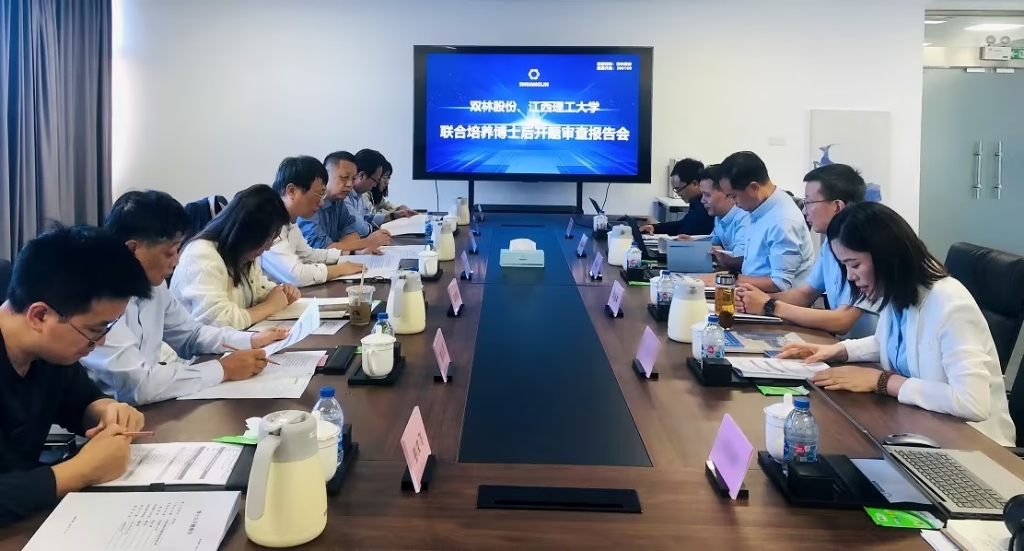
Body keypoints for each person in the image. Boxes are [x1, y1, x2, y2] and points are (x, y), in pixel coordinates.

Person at [778, 202, 1015, 446]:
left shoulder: (950, 304)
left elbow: (972, 402)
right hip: (922, 429)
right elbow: (889, 342)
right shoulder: (900, 292)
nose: (850, 276)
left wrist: (882, 381)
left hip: (976, 447)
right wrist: (837, 351)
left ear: (886, 257)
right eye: (845, 266)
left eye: (855, 264)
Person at [0, 226, 151, 526]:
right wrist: (80, 471)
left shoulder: (50, 354)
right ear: (40, 316)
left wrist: (108, 411)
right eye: (94, 330)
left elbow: (81, 399)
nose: (100, 342)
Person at [80, 191, 289, 406]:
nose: (176, 261)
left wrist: (250, 340)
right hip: (107, 415)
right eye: (169, 253)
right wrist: (224, 369)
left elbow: (191, 334)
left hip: (147, 404)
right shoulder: (97, 299)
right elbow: (138, 385)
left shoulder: (155, 286)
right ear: (133, 248)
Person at [735, 164, 878, 339]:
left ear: (837, 206)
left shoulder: (865, 247)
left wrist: (769, 305)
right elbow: (806, 294)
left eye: (809, 203)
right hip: (842, 345)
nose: (804, 210)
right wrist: (752, 299)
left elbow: (842, 321)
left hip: (868, 350)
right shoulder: (830, 244)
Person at [171, 184, 301, 329]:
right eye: (265, 239)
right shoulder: (202, 255)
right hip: (204, 343)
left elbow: (258, 288)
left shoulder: (241, 254)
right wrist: (270, 306)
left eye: (273, 238)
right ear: (244, 232)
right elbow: (217, 321)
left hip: (237, 339)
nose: (268, 247)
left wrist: (281, 292)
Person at [261, 156, 366, 286]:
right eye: (319, 194)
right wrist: (340, 269)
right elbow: (296, 276)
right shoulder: (268, 224)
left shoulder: (290, 222)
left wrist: (346, 255)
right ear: (292, 191)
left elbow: (309, 255)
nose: (321, 202)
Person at [717, 151, 814, 291]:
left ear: (754, 188)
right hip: (751, 293)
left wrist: (729, 279)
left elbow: (780, 284)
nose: (733, 202)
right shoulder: (761, 208)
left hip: (775, 301)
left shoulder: (783, 220)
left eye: (733, 196)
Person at [298, 151, 392, 251]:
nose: (349, 184)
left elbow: (353, 233)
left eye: (353, 179)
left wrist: (340, 248)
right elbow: (322, 249)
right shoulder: (309, 205)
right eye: (345, 177)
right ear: (325, 175)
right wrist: (367, 242)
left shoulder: (339, 202)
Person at [639, 158, 714, 237]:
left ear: (694, 184)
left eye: (678, 189)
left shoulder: (706, 206)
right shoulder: (696, 203)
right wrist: (655, 228)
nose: (678, 194)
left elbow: (686, 232)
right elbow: (682, 224)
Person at [698, 164, 749, 256]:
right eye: (702, 195)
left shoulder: (744, 218)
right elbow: (712, 242)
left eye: (707, 195)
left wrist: (718, 252)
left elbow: (739, 257)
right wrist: (691, 243)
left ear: (727, 193)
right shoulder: (719, 217)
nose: (702, 200)